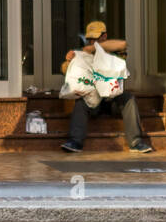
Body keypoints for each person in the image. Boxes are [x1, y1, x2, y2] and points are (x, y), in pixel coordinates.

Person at [59, 20, 153, 153]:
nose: (92, 41)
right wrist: (69, 61)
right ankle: (75, 142)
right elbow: (65, 71)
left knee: (128, 98)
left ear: (104, 36)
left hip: (112, 101)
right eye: (90, 39)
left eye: (96, 38)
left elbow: (123, 44)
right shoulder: (81, 53)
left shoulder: (114, 52)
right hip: (93, 102)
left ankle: (136, 143)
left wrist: (94, 48)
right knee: (81, 102)